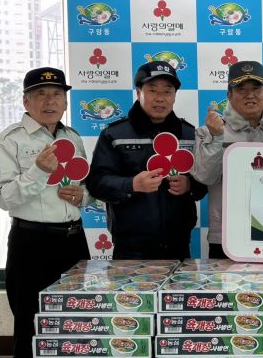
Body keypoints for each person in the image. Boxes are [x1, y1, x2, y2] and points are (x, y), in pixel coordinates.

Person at [0, 67, 91, 358]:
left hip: (74, 243)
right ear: (26, 101)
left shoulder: (72, 137)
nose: (50, 101)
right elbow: (4, 199)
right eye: (42, 94)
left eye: (57, 94)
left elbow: (84, 188)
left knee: (76, 331)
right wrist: (36, 171)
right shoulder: (9, 141)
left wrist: (84, 197)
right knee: (29, 333)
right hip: (31, 244)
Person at [85, 61, 207, 260]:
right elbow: (96, 183)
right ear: (138, 92)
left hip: (179, 245)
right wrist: (132, 184)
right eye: (152, 90)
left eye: (167, 91)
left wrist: (189, 185)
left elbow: (204, 182)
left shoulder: (189, 134)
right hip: (130, 248)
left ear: (174, 96)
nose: (160, 98)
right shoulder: (114, 134)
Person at [192, 60, 263, 259]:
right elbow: (205, 177)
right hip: (225, 235)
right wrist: (217, 137)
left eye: (256, 89)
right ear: (229, 95)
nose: (249, 95)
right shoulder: (207, 132)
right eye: (241, 89)